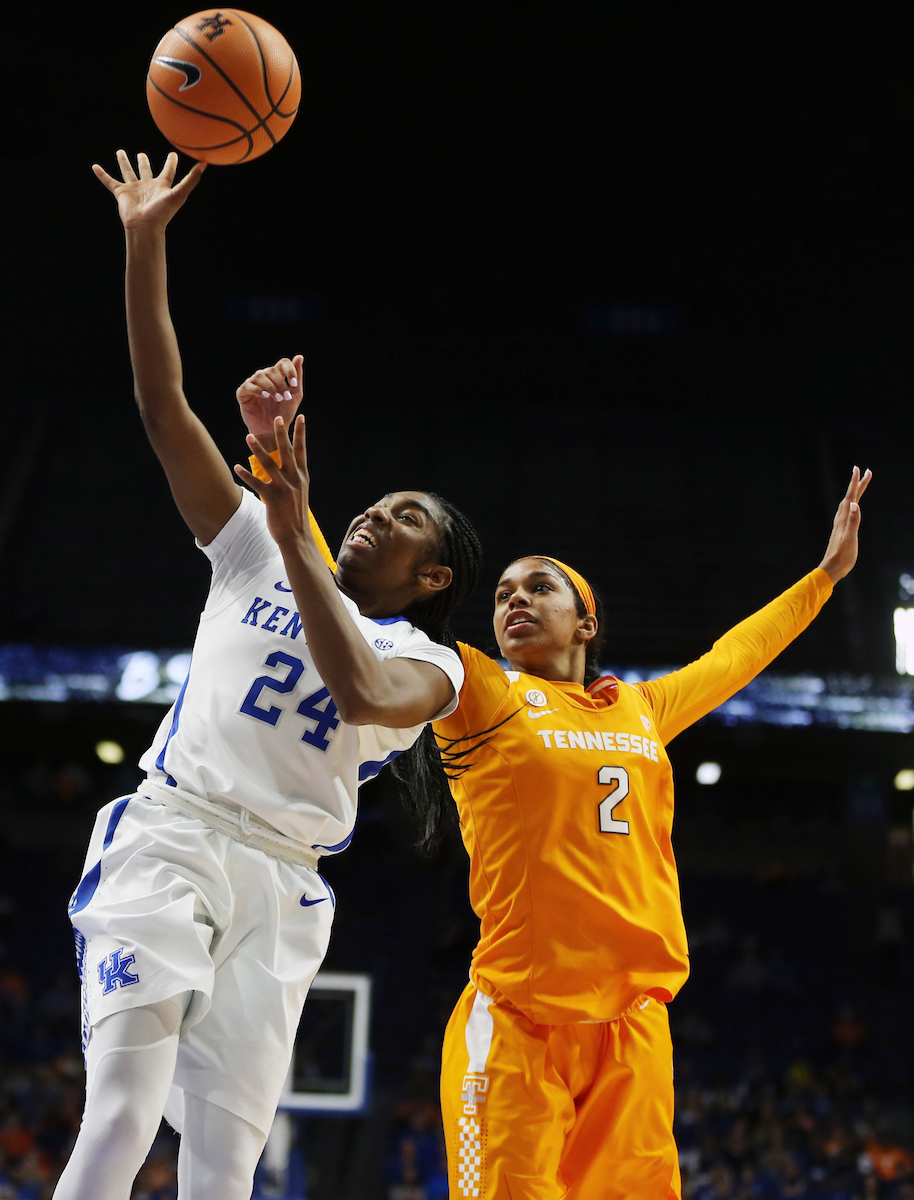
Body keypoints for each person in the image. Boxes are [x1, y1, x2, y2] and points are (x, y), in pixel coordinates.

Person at [54, 151, 480, 1200]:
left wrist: (300, 537)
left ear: (430, 577)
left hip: (284, 885)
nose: (378, 510)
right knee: (116, 1119)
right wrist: (143, 240)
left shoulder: (431, 665)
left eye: (406, 518)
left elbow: (361, 698)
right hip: (173, 835)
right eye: (374, 501)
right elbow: (163, 406)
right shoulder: (253, 546)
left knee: (223, 1174)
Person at [432, 467, 871, 1200]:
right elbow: (375, 629)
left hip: (632, 1027)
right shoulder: (482, 694)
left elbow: (733, 658)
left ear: (586, 622)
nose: (514, 600)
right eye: (504, 593)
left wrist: (825, 576)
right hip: (519, 1023)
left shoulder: (639, 708)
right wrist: (291, 527)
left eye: (538, 587)